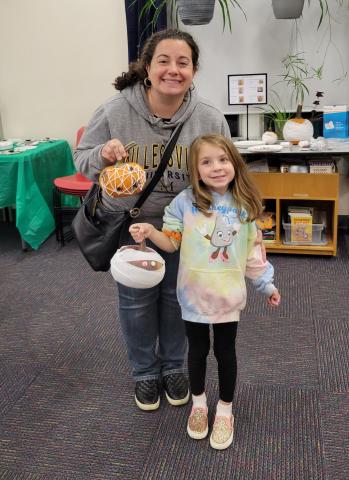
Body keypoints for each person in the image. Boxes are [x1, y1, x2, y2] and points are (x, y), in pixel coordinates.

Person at [74, 29, 232, 412]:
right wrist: (103, 156)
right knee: (136, 302)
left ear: (194, 71)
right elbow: (82, 160)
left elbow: (228, 170)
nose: (173, 70)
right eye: (164, 61)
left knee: (177, 302)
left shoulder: (208, 117)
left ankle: (173, 367)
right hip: (132, 229)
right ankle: (145, 372)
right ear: (148, 67)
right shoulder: (114, 111)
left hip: (184, 229)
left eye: (183, 63)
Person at [129, 134, 281, 449]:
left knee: (225, 352)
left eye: (223, 159)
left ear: (235, 164)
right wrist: (150, 231)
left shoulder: (245, 205)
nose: (216, 167)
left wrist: (266, 283)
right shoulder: (185, 202)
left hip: (228, 296)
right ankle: (199, 405)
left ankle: (225, 411)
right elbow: (171, 242)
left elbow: (254, 251)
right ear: (195, 170)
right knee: (196, 352)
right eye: (206, 162)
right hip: (193, 294)